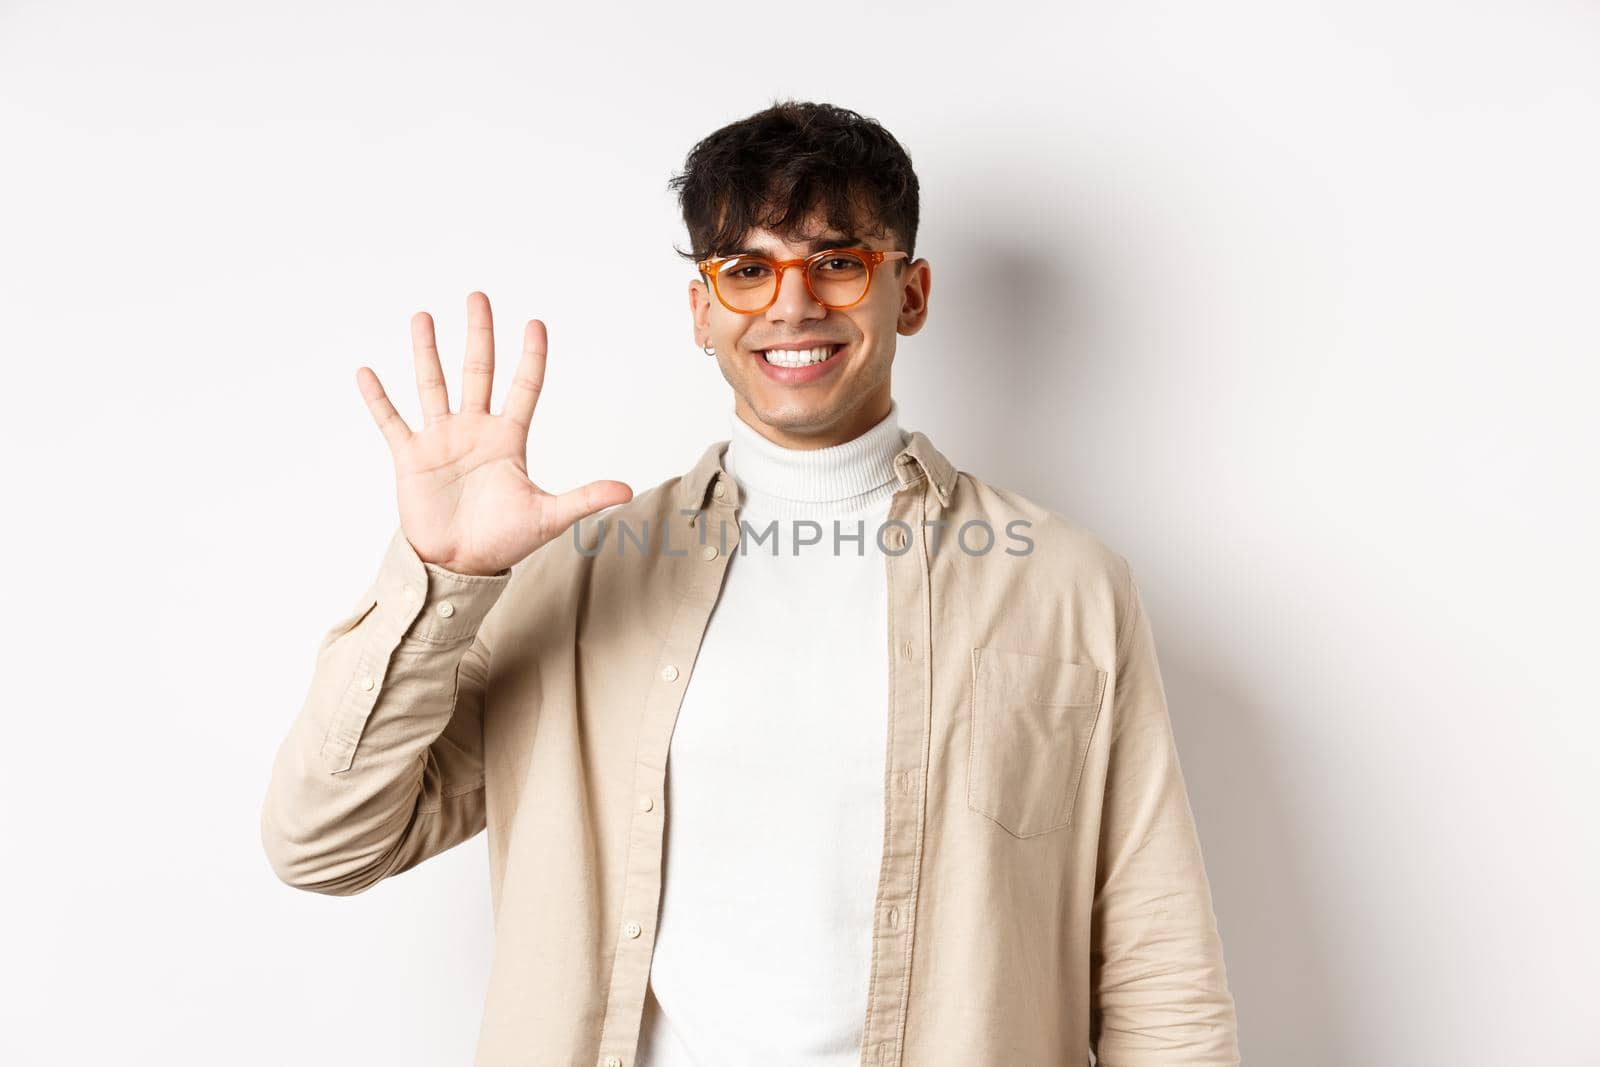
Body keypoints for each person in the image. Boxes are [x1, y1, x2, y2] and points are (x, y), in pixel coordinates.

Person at [259, 100, 1240, 1067]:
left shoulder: (1065, 585)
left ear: (911, 291)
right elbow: (325, 843)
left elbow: (1157, 957)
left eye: (838, 262)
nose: (791, 304)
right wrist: (442, 579)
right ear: (701, 309)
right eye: (746, 270)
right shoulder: (581, 578)